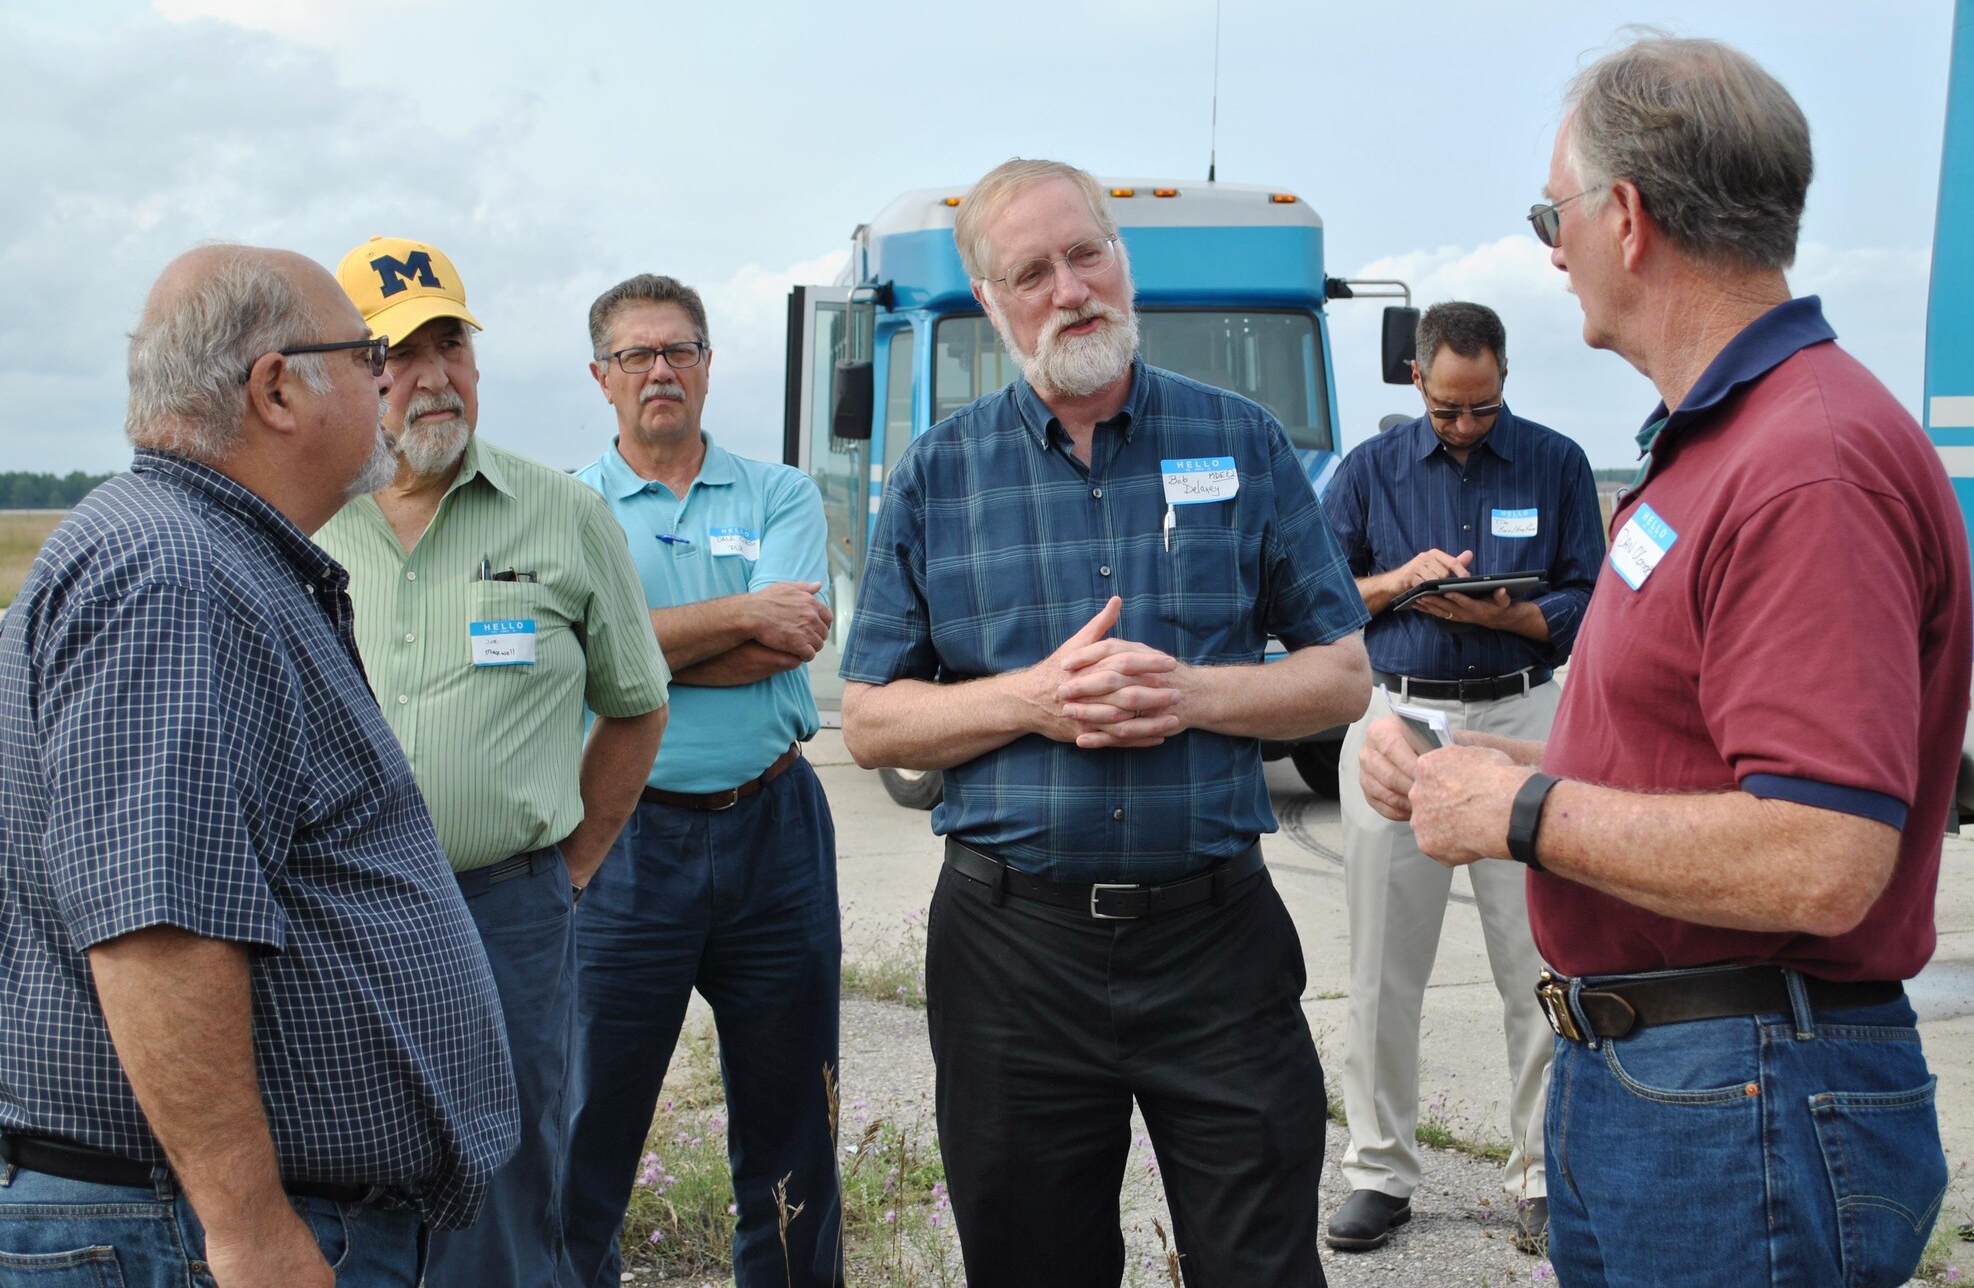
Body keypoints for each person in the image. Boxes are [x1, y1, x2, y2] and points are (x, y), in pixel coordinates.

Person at [1357, 36, 1971, 1288]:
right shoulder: (1735, 441)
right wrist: (1489, 768)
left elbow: (1819, 852)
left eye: (1553, 210)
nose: (1547, 245)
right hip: (1682, 1086)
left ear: (1626, 217)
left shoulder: (1804, 466)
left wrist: (1519, 809)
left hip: (1741, 1097)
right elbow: (1700, 756)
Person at [839, 157, 1374, 1288]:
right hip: (1011, 956)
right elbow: (873, 720)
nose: (1069, 288)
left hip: (1214, 943)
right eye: (1030, 271)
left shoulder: (1243, 439)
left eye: (1085, 253)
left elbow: (1339, 676)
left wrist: (1191, 693)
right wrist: (1034, 697)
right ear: (991, 303)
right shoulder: (939, 474)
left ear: (1122, 263)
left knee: (1261, 1264)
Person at [0, 245, 518, 1287]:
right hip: (184, 1234)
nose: (389, 380)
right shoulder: (175, 571)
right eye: (367, 353)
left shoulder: (204, 552)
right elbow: (159, 929)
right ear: (277, 387)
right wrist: (249, 1230)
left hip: (180, 1219)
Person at [316, 237, 670, 1288]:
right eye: (396, 354)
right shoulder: (302, 526)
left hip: (508, 910)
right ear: (345, 376)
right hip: (342, 916)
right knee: (350, 1175)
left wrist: (570, 867)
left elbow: (636, 704)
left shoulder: (559, 512)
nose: (431, 375)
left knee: (508, 1183)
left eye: (449, 343)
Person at [564, 274, 842, 1288]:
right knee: (588, 1122)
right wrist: (737, 614)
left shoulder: (780, 494)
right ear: (603, 377)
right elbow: (583, 660)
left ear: (709, 365)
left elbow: (790, 642)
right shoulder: (567, 508)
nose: (660, 370)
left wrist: (628, 645)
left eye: (678, 350)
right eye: (637, 355)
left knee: (792, 1131)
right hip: (622, 838)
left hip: (774, 829)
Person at [1318, 300, 1603, 1256]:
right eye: (1448, 410)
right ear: (1417, 383)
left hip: (1523, 711)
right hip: (1401, 719)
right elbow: (1319, 594)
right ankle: (1380, 1170)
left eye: (1483, 407)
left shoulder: (1558, 462)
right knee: (1383, 965)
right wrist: (1404, 582)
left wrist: (1513, 618)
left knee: (1537, 959)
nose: (1467, 426)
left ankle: (1538, 1173)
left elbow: (1590, 595)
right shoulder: (1368, 469)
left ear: (1505, 376)